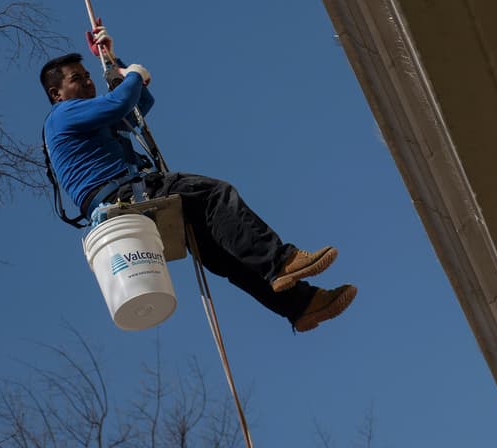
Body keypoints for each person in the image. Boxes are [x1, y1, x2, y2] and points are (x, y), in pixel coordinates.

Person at [40, 28, 356, 333]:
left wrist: (113, 61)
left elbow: (138, 106)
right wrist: (134, 73)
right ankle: (281, 261)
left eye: (87, 76)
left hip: (122, 200)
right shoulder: (63, 115)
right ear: (57, 94)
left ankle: (300, 305)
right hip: (124, 194)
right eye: (76, 80)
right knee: (214, 193)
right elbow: (121, 102)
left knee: (221, 251)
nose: (87, 83)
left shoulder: (90, 120)